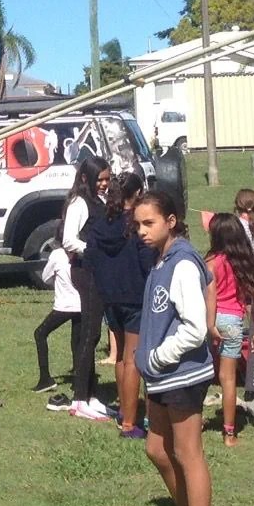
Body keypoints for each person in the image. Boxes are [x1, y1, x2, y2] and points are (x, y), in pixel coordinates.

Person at [133, 191, 219, 506]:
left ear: (171, 220)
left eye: (148, 222)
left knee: (189, 454)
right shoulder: (161, 259)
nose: (141, 230)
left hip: (182, 374)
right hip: (161, 377)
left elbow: (195, 328)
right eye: (137, 224)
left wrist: (156, 356)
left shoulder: (182, 262)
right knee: (157, 449)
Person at [84, 168, 153, 439]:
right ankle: (130, 424)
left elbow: (89, 259)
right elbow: (147, 261)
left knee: (122, 356)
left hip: (109, 297)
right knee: (133, 358)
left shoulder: (101, 224)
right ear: (136, 195)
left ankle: (125, 412)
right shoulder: (135, 226)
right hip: (135, 297)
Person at [52, 158, 112, 420]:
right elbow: (68, 240)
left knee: (92, 333)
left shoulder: (101, 200)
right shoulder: (79, 203)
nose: (104, 184)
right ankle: (78, 398)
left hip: (98, 270)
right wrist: (93, 249)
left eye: (107, 179)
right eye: (100, 179)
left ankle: (92, 394)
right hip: (85, 271)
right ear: (86, 178)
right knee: (89, 333)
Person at [203, 212, 254, 447]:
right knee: (228, 380)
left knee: (202, 376)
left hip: (212, 320)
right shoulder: (245, 262)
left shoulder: (211, 262)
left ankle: (195, 421)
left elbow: (210, 296)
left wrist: (209, 325)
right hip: (233, 321)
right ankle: (229, 433)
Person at [32, 243, 80, 395]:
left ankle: (45, 378)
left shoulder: (57, 254)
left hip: (65, 306)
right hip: (83, 304)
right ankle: (79, 380)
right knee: (77, 341)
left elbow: (45, 277)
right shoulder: (83, 251)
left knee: (40, 333)